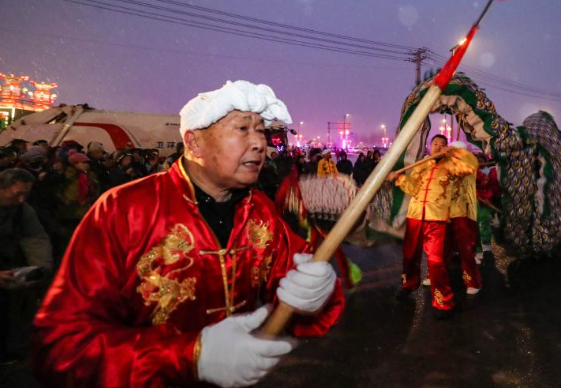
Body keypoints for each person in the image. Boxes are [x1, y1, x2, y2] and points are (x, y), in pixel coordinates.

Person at [32, 80, 343, 388]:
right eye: (242, 129)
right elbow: (62, 348)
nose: (260, 142)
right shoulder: (125, 210)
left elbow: (294, 284)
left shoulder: (259, 209)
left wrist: (317, 293)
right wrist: (189, 356)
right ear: (194, 143)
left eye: (260, 129)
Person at [388, 134, 471, 320]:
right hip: (416, 215)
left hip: (437, 218)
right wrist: (399, 178)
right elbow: (412, 189)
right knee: (409, 256)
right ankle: (408, 286)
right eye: (435, 143)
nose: (438, 146)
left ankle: (444, 302)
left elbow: (468, 169)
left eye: (442, 144)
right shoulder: (421, 164)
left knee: (435, 261)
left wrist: (457, 154)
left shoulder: (452, 167)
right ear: (429, 146)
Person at [0, 169, 53, 363]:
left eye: (26, 194)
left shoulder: (22, 210)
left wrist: (39, 269)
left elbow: (36, 238)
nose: (22, 199)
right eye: (17, 194)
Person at [446, 142, 481, 294]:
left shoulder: (469, 165)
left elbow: (472, 164)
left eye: (458, 152)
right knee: (441, 248)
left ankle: (472, 281)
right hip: (443, 212)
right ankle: (434, 276)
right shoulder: (444, 166)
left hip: (463, 212)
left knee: (465, 249)